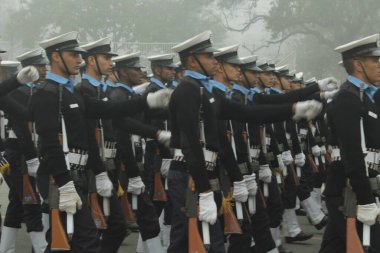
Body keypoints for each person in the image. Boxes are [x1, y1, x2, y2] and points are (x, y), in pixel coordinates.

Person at [168, 30, 322, 253]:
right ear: (192, 61)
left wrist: (293, 109)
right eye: (208, 57)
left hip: (207, 173)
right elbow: (190, 144)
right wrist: (203, 190)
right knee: (189, 240)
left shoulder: (204, 91)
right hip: (189, 175)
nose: (214, 61)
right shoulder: (187, 91)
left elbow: (247, 113)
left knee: (202, 240)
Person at [31, 31, 172, 253]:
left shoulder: (70, 92)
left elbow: (111, 110)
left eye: (80, 55)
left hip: (78, 174)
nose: (79, 60)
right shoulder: (46, 93)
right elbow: (49, 144)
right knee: (79, 240)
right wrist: (65, 183)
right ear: (56, 57)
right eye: (73, 55)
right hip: (59, 176)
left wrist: (148, 100)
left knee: (73, 241)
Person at [321, 34, 380, 253]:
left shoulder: (365, 96)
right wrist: (365, 199)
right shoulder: (347, 98)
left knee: (334, 247)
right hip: (350, 190)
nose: (379, 64)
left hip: (360, 185)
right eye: (375, 60)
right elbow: (353, 154)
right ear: (358, 64)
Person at [0, 49, 48, 253]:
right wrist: (31, 159)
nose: (45, 70)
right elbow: (21, 127)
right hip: (19, 155)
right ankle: (41, 248)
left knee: (17, 205)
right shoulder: (17, 91)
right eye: (40, 66)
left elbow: (27, 120)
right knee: (32, 205)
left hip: (24, 153)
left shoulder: (31, 91)